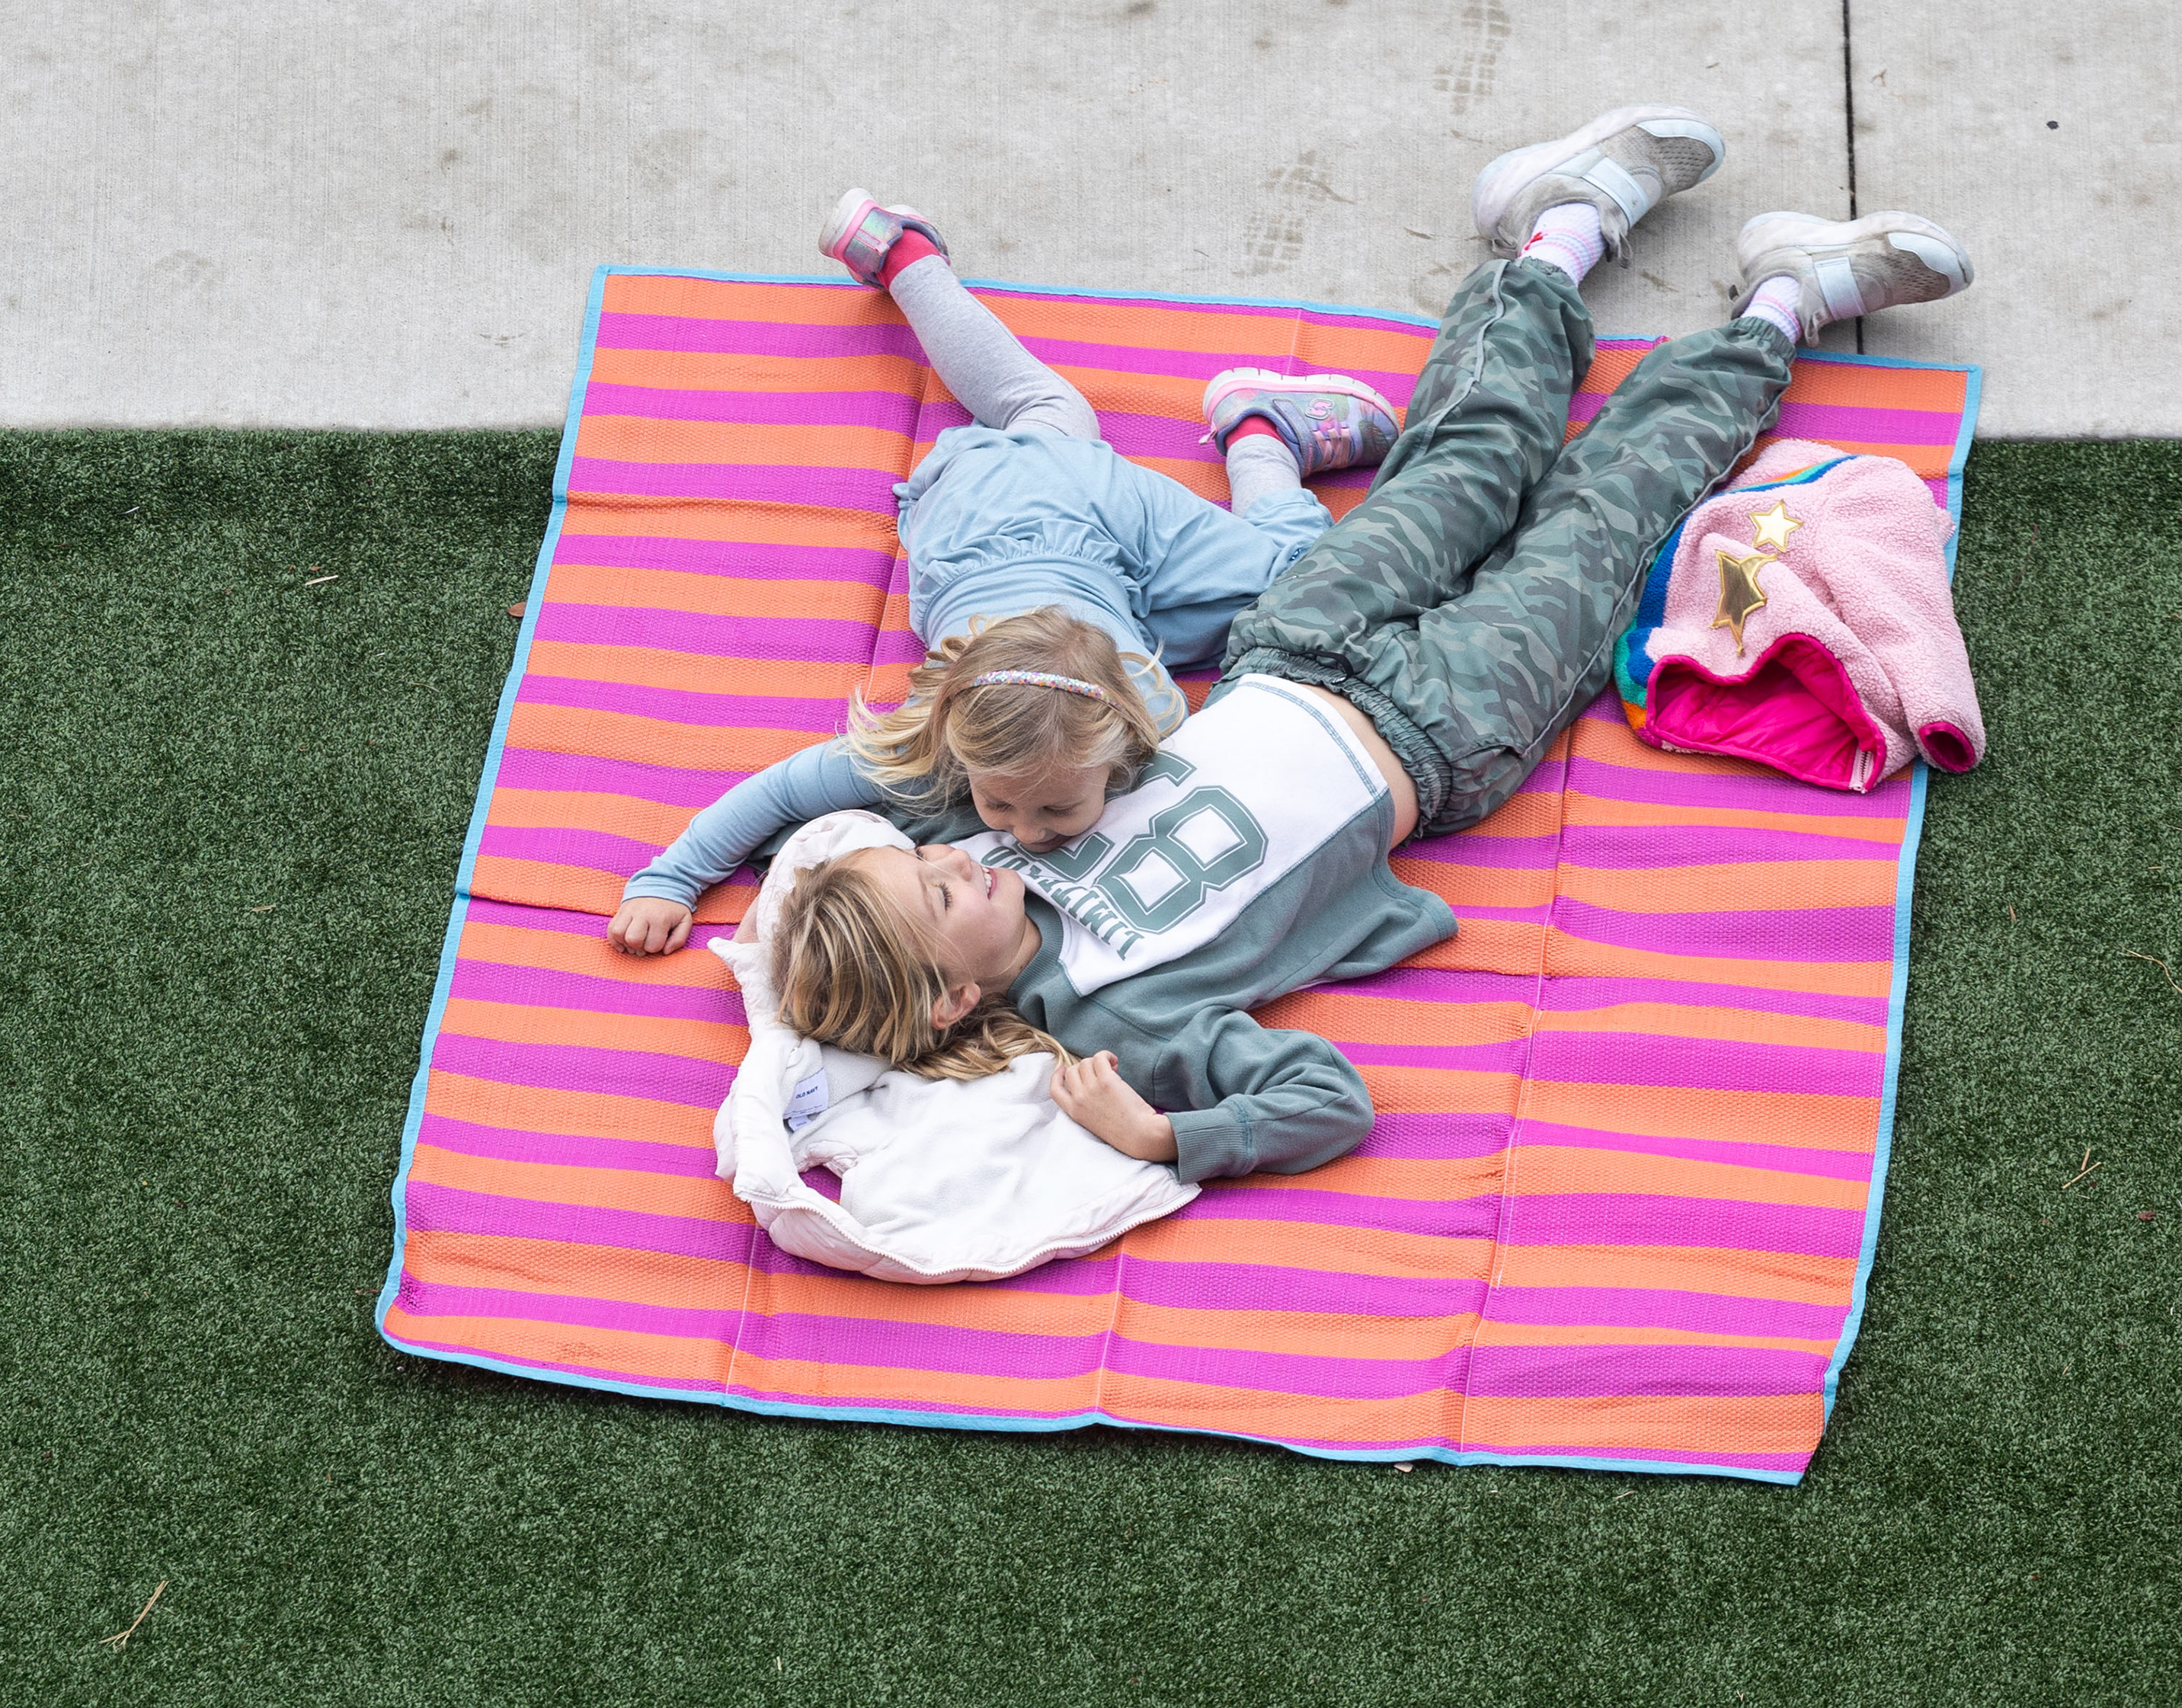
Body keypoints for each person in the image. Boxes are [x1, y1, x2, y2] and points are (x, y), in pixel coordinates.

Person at [760, 104, 1975, 1181]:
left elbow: (823, 794)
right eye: (934, 889)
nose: (954, 858)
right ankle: (1783, 305)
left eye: (928, 858)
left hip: (1292, 641)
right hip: (1444, 729)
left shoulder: (984, 821)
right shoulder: (1115, 1026)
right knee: (1602, 521)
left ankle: (1560, 227)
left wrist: (674, 879)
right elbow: (1324, 1101)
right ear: (953, 995)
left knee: (1465, 459)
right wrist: (1164, 1135)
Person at [602, 188, 1402, 955]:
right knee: (1043, 415)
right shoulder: (925, 745)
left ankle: (1262, 431)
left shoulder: (1152, 708)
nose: (1024, 831)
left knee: (1294, 582)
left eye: (1054, 806)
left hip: (1055, 508)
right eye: (1000, 803)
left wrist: (670, 879)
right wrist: (669, 879)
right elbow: (776, 793)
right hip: (983, 511)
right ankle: (908, 260)